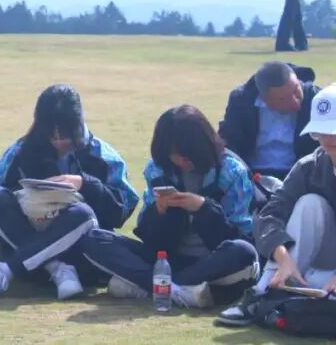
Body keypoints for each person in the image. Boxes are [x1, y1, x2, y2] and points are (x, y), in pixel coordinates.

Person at [0, 84, 139, 302]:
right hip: (27, 241)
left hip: (80, 256)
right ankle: (56, 268)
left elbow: (122, 208)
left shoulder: (104, 156)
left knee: (82, 214)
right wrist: (29, 197)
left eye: (66, 136)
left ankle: (5, 270)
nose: (59, 142)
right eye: (52, 136)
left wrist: (84, 184)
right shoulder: (21, 151)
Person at [82, 105, 257, 309]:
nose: (182, 160)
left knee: (244, 251)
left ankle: (150, 287)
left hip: (212, 262)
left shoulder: (232, 171)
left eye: (188, 155)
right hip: (166, 260)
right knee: (95, 239)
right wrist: (159, 211)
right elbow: (149, 238)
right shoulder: (158, 170)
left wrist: (203, 208)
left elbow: (241, 235)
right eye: (176, 155)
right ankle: (177, 290)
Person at [218, 84, 336, 326]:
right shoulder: (309, 166)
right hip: (318, 275)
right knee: (310, 204)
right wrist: (284, 259)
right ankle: (264, 292)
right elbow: (269, 215)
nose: (328, 139)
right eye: (321, 131)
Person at [218, 62, 321, 180]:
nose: (295, 102)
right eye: (282, 99)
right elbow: (230, 140)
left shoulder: (316, 98)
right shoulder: (241, 101)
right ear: (264, 99)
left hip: (302, 175)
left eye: (296, 90)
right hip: (253, 174)